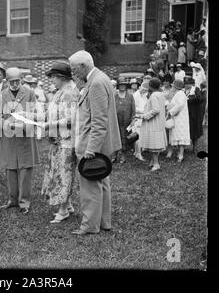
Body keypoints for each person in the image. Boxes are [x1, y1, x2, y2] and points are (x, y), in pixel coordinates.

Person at [18, 61, 79, 222]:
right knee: (58, 173)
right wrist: (25, 114)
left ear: (60, 77)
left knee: (63, 174)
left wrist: (48, 125)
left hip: (66, 141)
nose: (51, 80)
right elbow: (48, 114)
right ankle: (68, 205)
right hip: (57, 140)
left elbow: (71, 119)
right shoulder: (60, 92)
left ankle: (63, 209)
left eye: (52, 77)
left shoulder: (70, 93)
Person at [69, 50, 121, 235]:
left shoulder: (96, 83)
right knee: (101, 182)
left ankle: (89, 226)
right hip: (103, 144)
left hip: (93, 145)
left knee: (90, 186)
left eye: (75, 70)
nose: (74, 74)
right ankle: (104, 222)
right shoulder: (100, 78)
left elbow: (99, 121)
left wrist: (91, 149)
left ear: (84, 66)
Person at [0, 67, 40, 215]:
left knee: (25, 169)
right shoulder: (1, 96)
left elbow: (34, 114)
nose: (15, 84)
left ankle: (24, 202)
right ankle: (12, 199)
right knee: (10, 168)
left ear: (21, 79)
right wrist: (8, 124)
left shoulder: (30, 93)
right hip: (9, 137)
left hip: (25, 137)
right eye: (11, 81)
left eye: (17, 81)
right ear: (6, 81)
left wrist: (23, 122)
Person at [137, 78, 167, 171]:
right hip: (159, 122)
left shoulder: (154, 96)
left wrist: (144, 116)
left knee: (154, 144)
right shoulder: (160, 94)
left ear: (151, 86)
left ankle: (156, 164)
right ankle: (153, 162)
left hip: (154, 122)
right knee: (155, 142)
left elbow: (156, 109)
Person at [166, 79, 190, 162]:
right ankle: (179, 154)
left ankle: (181, 155)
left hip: (180, 119)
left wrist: (171, 112)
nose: (172, 87)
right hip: (177, 118)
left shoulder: (180, 94)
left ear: (175, 87)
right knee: (178, 135)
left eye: (173, 86)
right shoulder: (178, 94)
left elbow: (179, 105)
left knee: (181, 136)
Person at [114, 77, 135, 164]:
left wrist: (133, 119)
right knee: (115, 137)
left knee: (125, 138)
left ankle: (123, 155)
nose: (122, 87)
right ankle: (115, 155)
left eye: (124, 85)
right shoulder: (114, 95)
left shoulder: (130, 96)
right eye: (121, 85)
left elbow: (133, 109)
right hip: (116, 121)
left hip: (127, 121)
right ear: (118, 86)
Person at [184, 76, 202, 152]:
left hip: (194, 113)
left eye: (188, 83)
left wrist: (189, 99)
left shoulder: (196, 89)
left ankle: (195, 147)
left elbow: (199, 98)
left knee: (194, 129)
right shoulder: (183, 90)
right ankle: (184, 147)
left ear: (191, 83)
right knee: (185, 130)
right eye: (185, 83)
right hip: (185, 113)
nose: (186, 85)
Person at [132, 81, 149, 161]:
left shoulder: (144, 95)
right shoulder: (136, 95)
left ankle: (137, 152)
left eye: (146, 90)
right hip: (137, 117)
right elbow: (134, 108)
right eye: (143, 89)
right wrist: (143, 111)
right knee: (138, 136)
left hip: (143, 117)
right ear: (140, 87)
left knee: (140, 135)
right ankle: (138, 153)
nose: (144, 91)